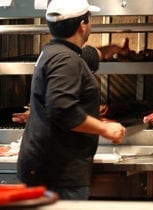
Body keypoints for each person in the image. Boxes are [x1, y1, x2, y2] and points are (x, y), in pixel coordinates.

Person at [17, 0, 127, 200]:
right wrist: (105, 129)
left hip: (48, 166)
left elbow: (89, 55)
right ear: (83, 25)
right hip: (60, 174)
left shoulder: (56, 51)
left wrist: (114, 48)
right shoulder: (66, 61)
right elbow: (62, 110)